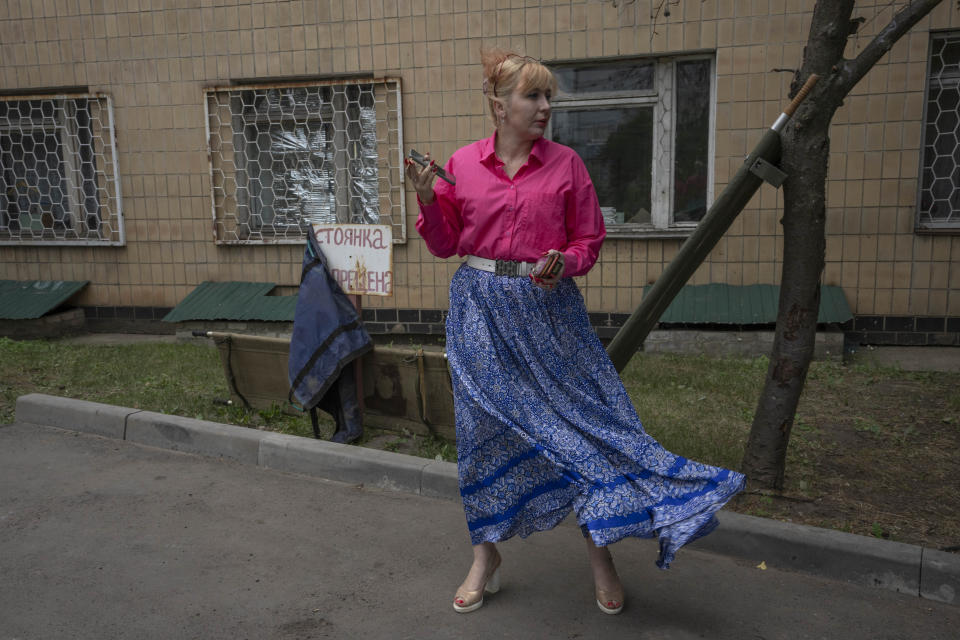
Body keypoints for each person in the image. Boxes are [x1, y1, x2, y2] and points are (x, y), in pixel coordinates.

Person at [404, 49, 745, 615]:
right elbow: (446, 243)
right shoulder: (461, 165)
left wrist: (565, 260)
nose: (544, 108)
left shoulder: (566, 165)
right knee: (484, 438)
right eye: (532, 97)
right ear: (499, 104)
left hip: (548, 316)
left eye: (547, 98)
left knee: (582, 431)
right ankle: (485, 555)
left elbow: (589, 241)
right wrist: (424, 197)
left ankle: (600, 553)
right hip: (480, 313)